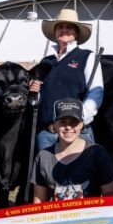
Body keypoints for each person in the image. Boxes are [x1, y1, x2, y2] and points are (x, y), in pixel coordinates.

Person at [29, 9, 103, 151]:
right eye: (60, 27)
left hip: (77, 132)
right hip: (47, 134)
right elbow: (39, 99)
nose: (64, 30)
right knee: (47, 172)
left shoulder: (88, 57)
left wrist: (80, 119)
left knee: (81, 173)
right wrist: (34, 91)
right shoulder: (46, 61)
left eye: (69, 27)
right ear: (55, 32)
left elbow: (96, 93)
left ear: (77, 33)